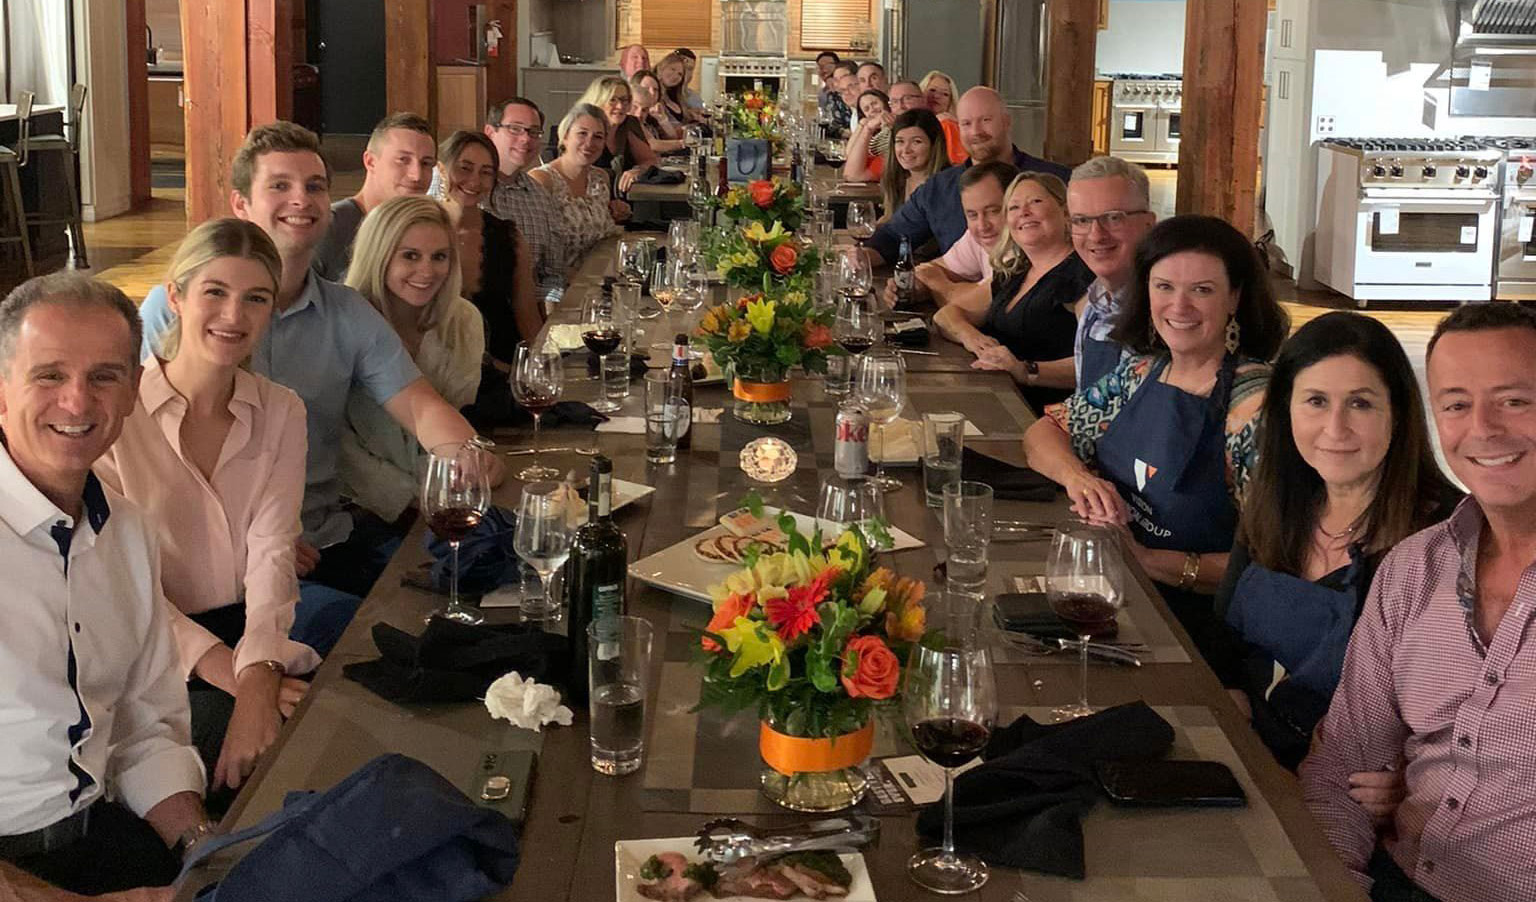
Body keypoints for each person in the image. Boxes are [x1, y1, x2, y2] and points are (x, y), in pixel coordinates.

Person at [136, 121, 501, 603]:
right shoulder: (180, 311)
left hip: (326, 538)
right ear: (241, 203)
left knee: (473, 590)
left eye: (315, 187)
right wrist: (254, 543)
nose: (302, 201)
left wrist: (469, 457)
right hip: (210, 552)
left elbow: (418, 407)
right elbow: (147, 452)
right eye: (280, 186)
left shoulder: (347, 311)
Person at [1301, 302, 1536, 902]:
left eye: (1515, 400)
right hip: (1388, 880)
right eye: (1456, 404)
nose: (1482, 428)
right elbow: (1338, 773)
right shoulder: (1415, 568)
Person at [0, 272, 208, 898]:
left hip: (94, 833)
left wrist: (203, 847)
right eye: (49, 376)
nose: (77, 403)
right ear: (2, 388)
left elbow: (146, 727)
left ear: (132, 392)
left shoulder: (128, 532)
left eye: (104, 377)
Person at [97, 220, 317, 805]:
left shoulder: (281, 411)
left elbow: (273, 552)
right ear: (176, 295)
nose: (233, 315)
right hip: (152, 649)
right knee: (257, 769)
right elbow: (123, 586)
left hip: (252, 629)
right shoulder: (118, 414)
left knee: (328, 735)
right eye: (214, 292)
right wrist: (235, 676)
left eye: (255, 298)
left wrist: (259, 669)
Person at [1022, 214, 1289, 664]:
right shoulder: (1142, 371)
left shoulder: (1254, 407)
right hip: (1117, 598)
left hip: (1199, 633)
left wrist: (1149, 560)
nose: (1178, 307)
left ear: (1235, 299)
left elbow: (1275, 563)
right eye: (1164, 287)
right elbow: (1042, 432)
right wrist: (1078, 479)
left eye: (1201, 290)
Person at [1211, 312, 1460, 772]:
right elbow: (1224, 636)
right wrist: (1231, 699)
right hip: (1249, 755)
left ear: (1399, 413)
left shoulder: (1444, 539)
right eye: (1316, 401)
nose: (1335, 428)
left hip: (1350, 790)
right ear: (1285, 408)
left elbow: (1464, 714)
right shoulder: (1274, 502)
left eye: (1361, 404)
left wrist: (1404, 779)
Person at [341, 196, 484, 528]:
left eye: (439, 257)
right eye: (410, 256)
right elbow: (339, 449)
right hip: (356, 512)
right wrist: (410, 497)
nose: (427, 271)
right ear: (378, 255)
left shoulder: (463, 322)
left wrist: (476, 462)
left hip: (437, 500)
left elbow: (454, 418)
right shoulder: (343, 323)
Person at [935, 172, 1093, 412]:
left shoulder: (1084, 274)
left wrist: (1025, 370)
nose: (1024, 212)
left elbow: (1096, 363)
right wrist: (972, 338)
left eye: (1036, 202)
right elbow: (946, 316)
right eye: (1014, 207)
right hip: (997, 398)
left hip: (1047, 414)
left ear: (1065, 211)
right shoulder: (1014, 271)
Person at [865, 87, 1071, 267]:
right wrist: (858, 259)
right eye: (966, 123)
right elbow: (892, 238)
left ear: (1007, 122)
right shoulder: (939, 187)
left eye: (986, 120)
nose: (976, 132)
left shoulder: (1055, 179)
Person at [437, 130, 542, 367]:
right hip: (441, 370)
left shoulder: (510, 237)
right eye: (464, 168)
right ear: (442, 169)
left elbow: (527, 318)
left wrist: (540, 368)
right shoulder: (419, 233)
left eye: (486, 173)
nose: (474, 181)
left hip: (505, 368)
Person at [1067, 154, 1158, 389]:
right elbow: (1083, 407)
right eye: (1082, 220)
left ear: (1149, 224)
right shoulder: (1094, 306)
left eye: (1113, 218)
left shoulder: (1164, 312)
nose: (1096, 235)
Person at [312, 112, 435, 282]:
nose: (417, 175)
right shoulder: (328, 227)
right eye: (403, 160)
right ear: (370, 162)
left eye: (426, 163)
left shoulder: (426, 230)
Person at [482, 97, 567, 305]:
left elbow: (551, 273)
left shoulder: (539, 196)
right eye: (515, 129)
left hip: (527, 312)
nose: (526, 139)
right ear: (490, 132)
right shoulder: (468, 188)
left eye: (534, 132)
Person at [531, 104, 627, 270]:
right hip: (558, 285)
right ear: (565, 136)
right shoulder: (542, 180)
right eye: (582, 134)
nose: (589, 143)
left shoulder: (600, 178)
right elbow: (533, 251)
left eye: (598, 137)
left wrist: (616, 212)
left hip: (601, 276)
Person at [910, 161, 1014, 309]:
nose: (982, 225)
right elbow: (931, 270)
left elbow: (975, 306)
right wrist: (914, 286)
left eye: (993, 211)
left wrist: (942, 287)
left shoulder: (1026, 251)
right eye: (972, 215)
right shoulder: (978, 237)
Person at [576, 76, 657, 192]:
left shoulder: (629, 124)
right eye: (613, 100)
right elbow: (575, 176)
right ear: (598, 101)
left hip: (626, 198)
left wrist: (638, 170)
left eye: (624, 100)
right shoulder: (584, 128)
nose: (620, 106)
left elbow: (650, 160)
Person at [891, 79, 966, 166]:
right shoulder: (888, 129)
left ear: (922, 99)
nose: (936, 96)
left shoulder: (946, 125)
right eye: (894, 101)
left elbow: (956, 166)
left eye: (908, 99)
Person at [842, 90, 892, 181]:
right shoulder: (874, 133)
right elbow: (849, 154)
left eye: (874, 103)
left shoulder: (892, 131)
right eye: (866, 109)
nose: (872, 109)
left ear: (886, 102)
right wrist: (862, 124)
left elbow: (852, 176)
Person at [631, 69, 686, 151]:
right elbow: (652, 144)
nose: (652, 93)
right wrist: (685, 143)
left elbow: (672, 137)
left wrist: (662, 119)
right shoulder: (630, 119)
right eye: (646, 88)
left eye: (655, 89)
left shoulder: (654, 113)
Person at [654, 53, 698, 133]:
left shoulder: (675, 97)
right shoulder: (653, 96)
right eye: (672, 69)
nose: (675, 76)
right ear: (662, 68)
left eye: (680, 74)